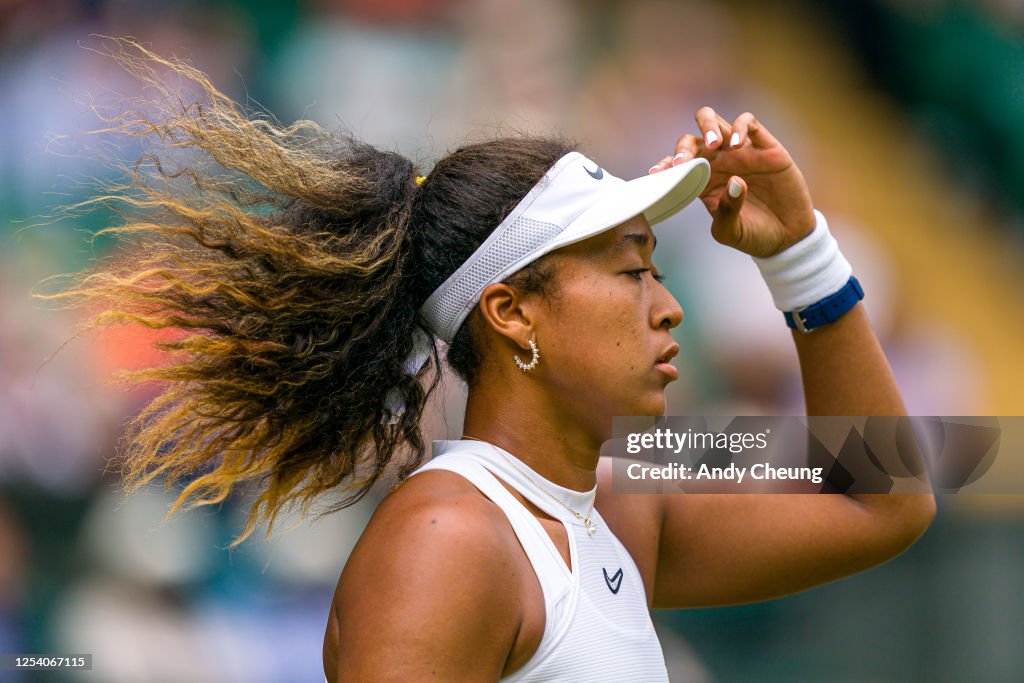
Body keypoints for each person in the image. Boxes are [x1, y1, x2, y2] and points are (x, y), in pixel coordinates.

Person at [50, 41, 935, 682]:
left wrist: (800, 254)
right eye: (632, 272)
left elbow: (884, 496)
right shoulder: (449, 541)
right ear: (512, 313)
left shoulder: (619, 500)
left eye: (660, 272)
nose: (668, 306)